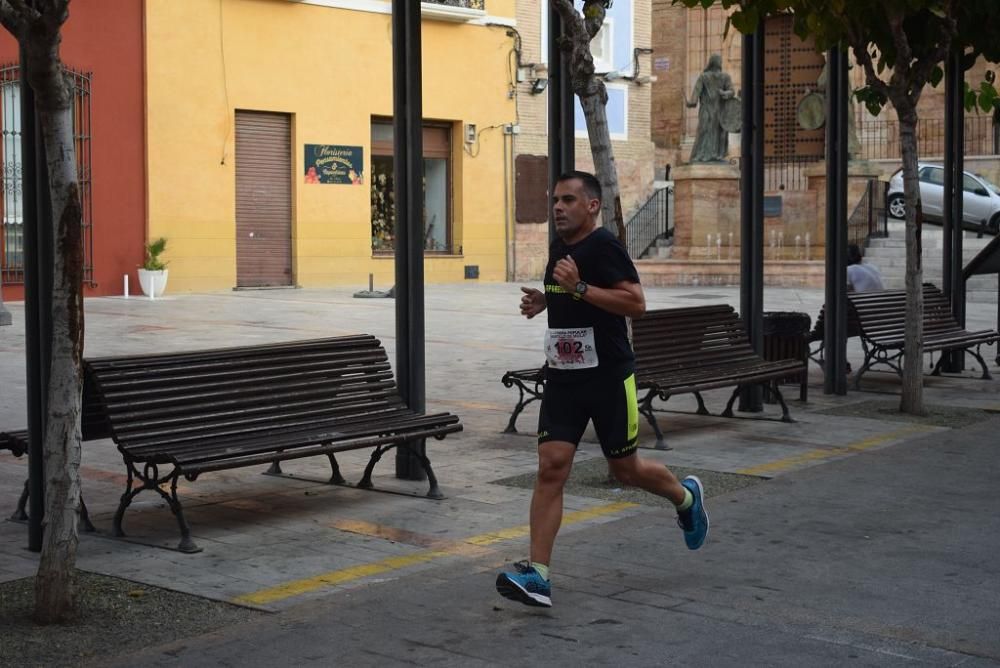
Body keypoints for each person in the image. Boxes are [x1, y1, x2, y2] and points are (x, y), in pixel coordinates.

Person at [495, 171, 709, 609]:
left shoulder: (605, 246)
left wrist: (580, 287)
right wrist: (547, 300)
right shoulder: (560, 246)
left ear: (591, 206)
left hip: (609, 376)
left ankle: (685, 498)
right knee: (551, 466)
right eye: (555, 199)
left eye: (568, 200)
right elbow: (569, 295)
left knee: (625, 471)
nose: (558, 207)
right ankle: (539, 576)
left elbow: (636, 304)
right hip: (563, 377)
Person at [686, 54, 734, 163]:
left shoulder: (704, 77)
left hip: (710, 111)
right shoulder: (724, 77)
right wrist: (725, 93)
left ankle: (700, 156)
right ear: (719, 63)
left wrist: (689, 103)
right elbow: (732, 91)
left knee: (704, 132)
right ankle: (716, 156)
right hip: (718, 111)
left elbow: (693, 101)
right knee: (713, 133)